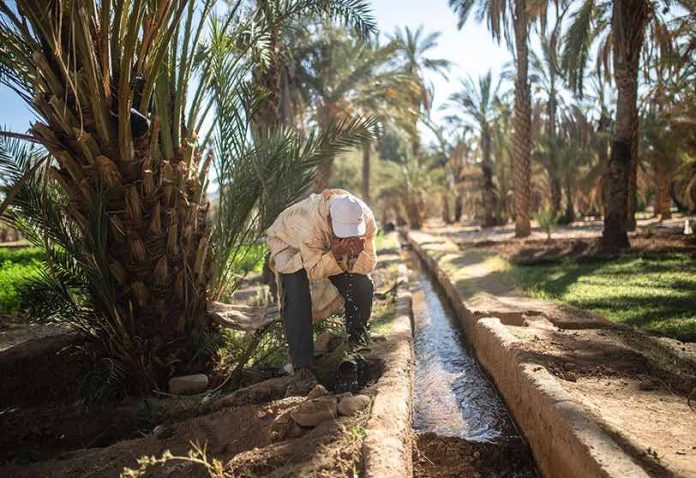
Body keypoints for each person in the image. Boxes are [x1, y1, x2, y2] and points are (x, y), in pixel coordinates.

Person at [267, 189, 377, 392]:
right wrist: (335, 254)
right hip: (289, 242)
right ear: (329, 220)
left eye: (353, 232)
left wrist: (355, 254)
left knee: (363, 285)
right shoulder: (309, 224)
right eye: (343, 232)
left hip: (325, 246)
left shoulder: (366, 219)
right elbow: (314, 270)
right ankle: (302, 367)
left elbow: (368, 266)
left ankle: (357, 338)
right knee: (296, 292)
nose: (350, 236)